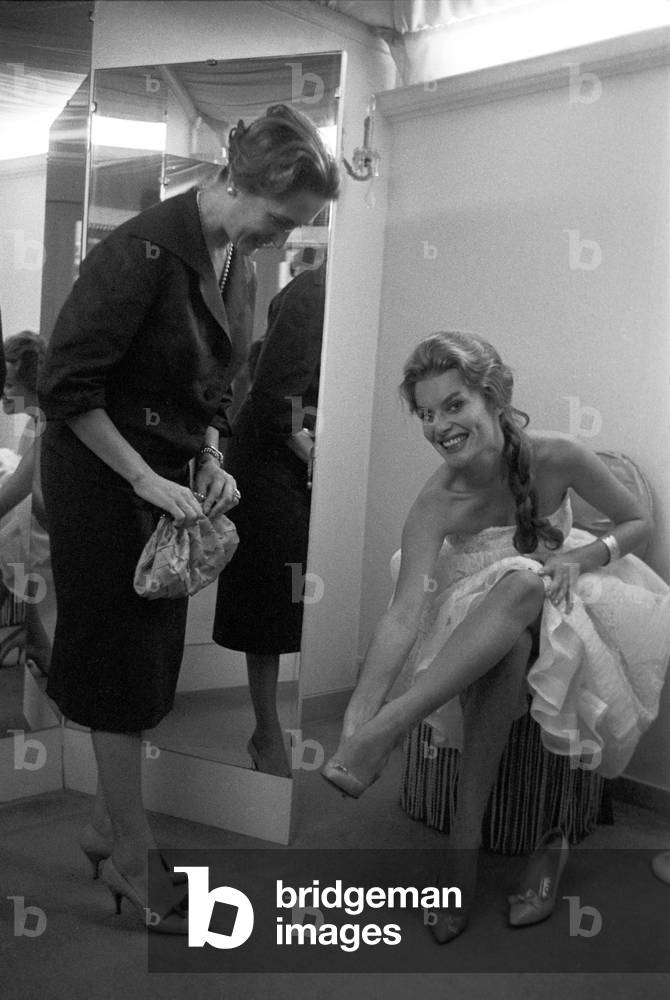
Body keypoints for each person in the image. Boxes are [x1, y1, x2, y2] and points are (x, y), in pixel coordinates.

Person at [39, 103, 339, 933]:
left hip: (165, 478)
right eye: (282, 218)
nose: (283, 237)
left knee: (148, 660)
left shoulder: (236, 260)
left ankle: (102, 826)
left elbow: (214, 388)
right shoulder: (140, 251)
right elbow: (66, 389)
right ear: (240, 181)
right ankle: (133, 857)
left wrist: (207, 453)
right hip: (100, 479)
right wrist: (144, 475)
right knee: (117, 666)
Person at [322, 330, 670, 942]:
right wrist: (356, 716)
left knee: (526, 581)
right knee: (508, 647)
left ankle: (397, 736)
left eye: (454, 404)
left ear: (496, 396)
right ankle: (462, 851)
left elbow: (636, 521)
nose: (439, 426)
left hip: (564, 595)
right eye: (426, 414)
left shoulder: (559, 455)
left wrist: (584, 558)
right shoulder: (437, 500)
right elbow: (403, 615)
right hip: (472, 617)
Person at [213, 255, 327, 776]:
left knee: (293, 596)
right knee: (271, 599)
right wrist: (314, 455)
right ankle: (266, 731)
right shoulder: (315, 290)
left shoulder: (342, 295)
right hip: (271, 463)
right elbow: (278, 393)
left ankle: (269, 729)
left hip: (294, 458)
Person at [0, 331, 52, 674]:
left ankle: (36, 642)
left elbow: (23, 492)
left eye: (8, 384)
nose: (3, 392)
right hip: (42, 520)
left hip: (55, 528)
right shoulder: (36, 422)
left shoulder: (46, 425)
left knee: (7, 540)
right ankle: (32, 639)